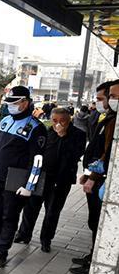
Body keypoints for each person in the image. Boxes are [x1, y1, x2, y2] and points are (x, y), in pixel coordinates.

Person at [0, 86, 47, 268]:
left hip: (16, 179)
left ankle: (2, 251)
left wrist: (29, 186)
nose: (11, 106)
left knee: (9, 216)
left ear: (26, 102)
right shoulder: (6, 120)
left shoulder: (36, 128)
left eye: (15, 103)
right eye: (9, 103)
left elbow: (38, 160)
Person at [13, 107, 85, 252]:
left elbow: (76, 155)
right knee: (30, 207)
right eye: (54, 120)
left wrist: (64, 137)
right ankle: (24, 234)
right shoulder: (46, 132)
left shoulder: (78, 134)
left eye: (62, 121)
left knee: (52, 211)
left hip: (61, 180)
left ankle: (46, 239)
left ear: (69, 119)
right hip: (41, 176)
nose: (58, 124)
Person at [70, 80, 118, 274]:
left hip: (101, 179)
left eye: (103, 98)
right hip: (95, 175)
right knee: (93, 220)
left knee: (98, 220)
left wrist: (93, 176)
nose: (98, 102)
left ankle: (95, 264)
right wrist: (88, 173)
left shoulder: (113, 121)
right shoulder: (105, 117)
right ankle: (92, 257)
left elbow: (107, 154)